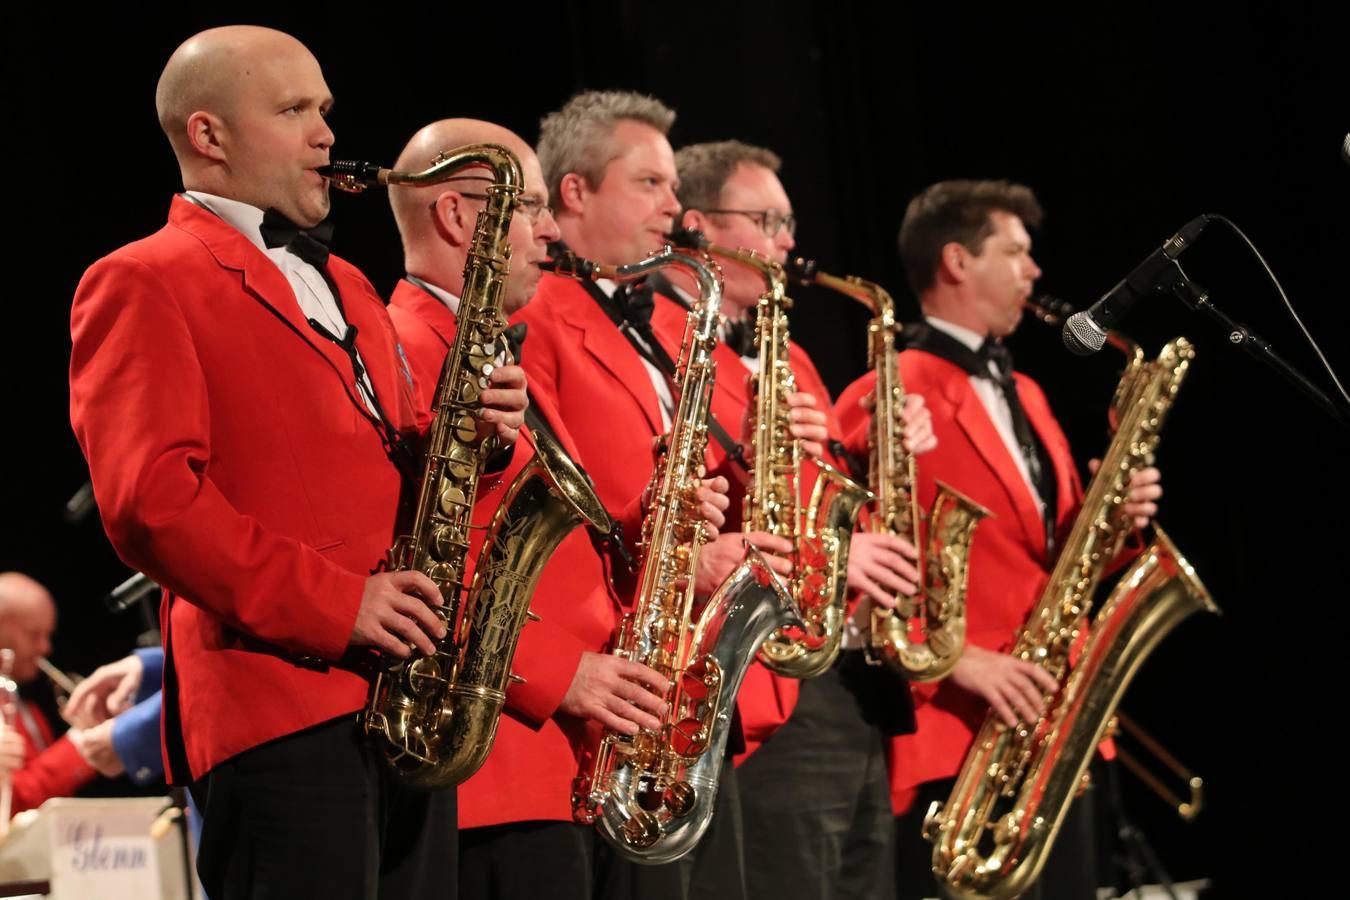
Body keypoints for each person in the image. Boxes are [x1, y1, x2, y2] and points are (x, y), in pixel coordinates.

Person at [66, 26, 508, 899]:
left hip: (409, 702)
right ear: (209, 135)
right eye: (294, 109)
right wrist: (341, 606)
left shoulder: (346, 281)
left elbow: (392, 463)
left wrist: (477, 442)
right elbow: (151, 505)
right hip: (280, 712)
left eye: (325, 110)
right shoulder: (140, 278)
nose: (326, 134)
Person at [383, 115, 725, 900]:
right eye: (532, 208)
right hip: (500, 760)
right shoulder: (405, 345)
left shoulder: (490, 347)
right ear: (460, 215)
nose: (548, 230)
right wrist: (557, 673)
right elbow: (421, 551)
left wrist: (651, 521)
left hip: (572, 755)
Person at [833, 179, 1163, 900]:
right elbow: (851, 559)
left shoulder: (1032, 395)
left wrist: (1114, 517)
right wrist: (958, 661)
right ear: (956, 261)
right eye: (1015, 252)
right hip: (960, 727)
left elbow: (1053, 559)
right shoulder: (886, 387)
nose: (1034, 272)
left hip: (1054, 721)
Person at [514, 90, 794, 900]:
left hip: (679, 690)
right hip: (605, 689)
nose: (675, 207)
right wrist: (675, 543)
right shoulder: (537, 316)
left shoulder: (658, 323)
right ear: (574, 194)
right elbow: (550, 496)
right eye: (650, 185)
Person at [658, 139, 933, 900]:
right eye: (766, 220)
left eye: (789, 222)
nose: (787, 242)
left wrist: (871, 451)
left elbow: (820, 495)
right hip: (763, 679)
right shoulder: (659, 337)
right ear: (699, 225)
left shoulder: (792, 357)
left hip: (843, 676)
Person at [0, 572, 98, 813]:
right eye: (34, 634)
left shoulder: (25, 705)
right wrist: (80, 741)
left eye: (48, 635)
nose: (45, 647)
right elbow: (17, 799)